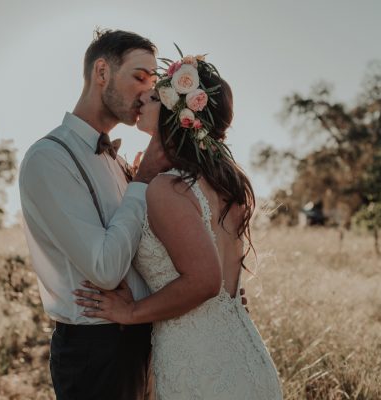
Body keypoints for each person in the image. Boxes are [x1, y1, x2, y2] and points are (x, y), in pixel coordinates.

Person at [74, 51, 284, 399]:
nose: (143, 96)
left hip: (204, 374)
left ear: (178, 114)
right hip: (246, 360)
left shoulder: (168, 188)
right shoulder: (222, 184)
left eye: (155, 96)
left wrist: (130, 312)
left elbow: (204, 281)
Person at [19, 29, 169, 399]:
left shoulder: (118, 161)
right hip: (95, 353)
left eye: (153, 82)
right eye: (139, 77)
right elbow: (104, 268)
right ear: (101, 72)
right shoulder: (48, 158)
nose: (148, 93)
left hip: (141, 340)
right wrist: (144, 180)